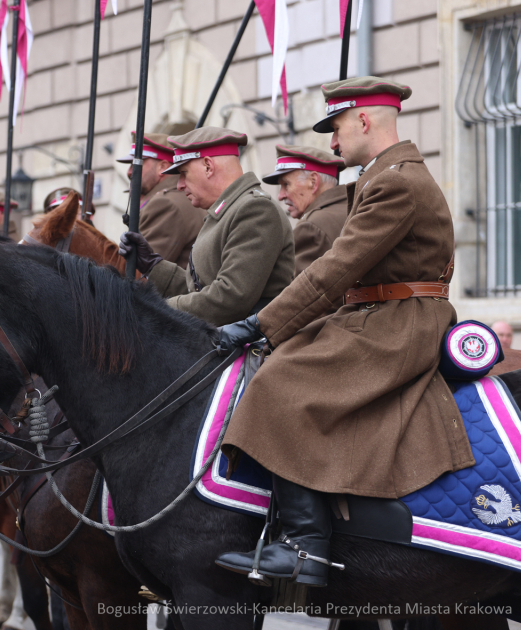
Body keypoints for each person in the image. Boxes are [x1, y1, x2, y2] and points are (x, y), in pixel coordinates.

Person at [214, 77, 464, 588]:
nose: (331, 143)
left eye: (336, 128)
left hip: (399, 322)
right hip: (380, 312)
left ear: (364, 120)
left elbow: (335, 269)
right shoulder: (386, 175)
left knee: (281, 381)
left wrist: (261, 324)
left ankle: (307, 546)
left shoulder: (397, 181)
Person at [119, 127, 294, 326]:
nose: (179, 185)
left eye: (184, 173)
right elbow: (198, 290)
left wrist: (159, 308)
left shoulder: (256, 209)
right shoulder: (225, 210)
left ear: (208, 167)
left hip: (252, 347)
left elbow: (230, 298)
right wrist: (153, 265)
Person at [115, 132, 206, 269]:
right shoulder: (177, 197)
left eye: (137, 163)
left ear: (162, 167)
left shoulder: (164, 204)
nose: (129, 171)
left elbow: (139, 274)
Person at [262, 145, 347, 275]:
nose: (281, 196)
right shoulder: (355, 206)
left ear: (313, 182)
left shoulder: (311, 227)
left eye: (286, 184)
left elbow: (298, 291)